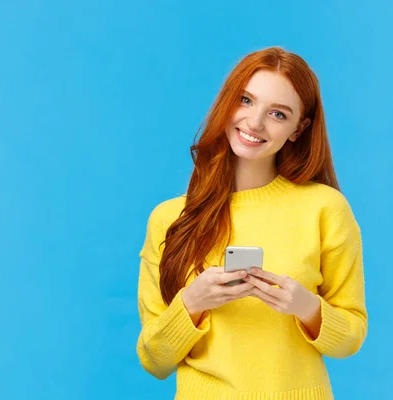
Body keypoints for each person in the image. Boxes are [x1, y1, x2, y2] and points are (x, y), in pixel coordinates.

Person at [136, 46, 368, 399]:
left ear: (298, 128)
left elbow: (350, 337)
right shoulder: (169, 219)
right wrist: (193, 303)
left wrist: (305, 306)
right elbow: (155, 361)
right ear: (227, 102)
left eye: (277, 113)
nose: (255, 123)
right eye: (245, 101)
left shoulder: (324, 209)